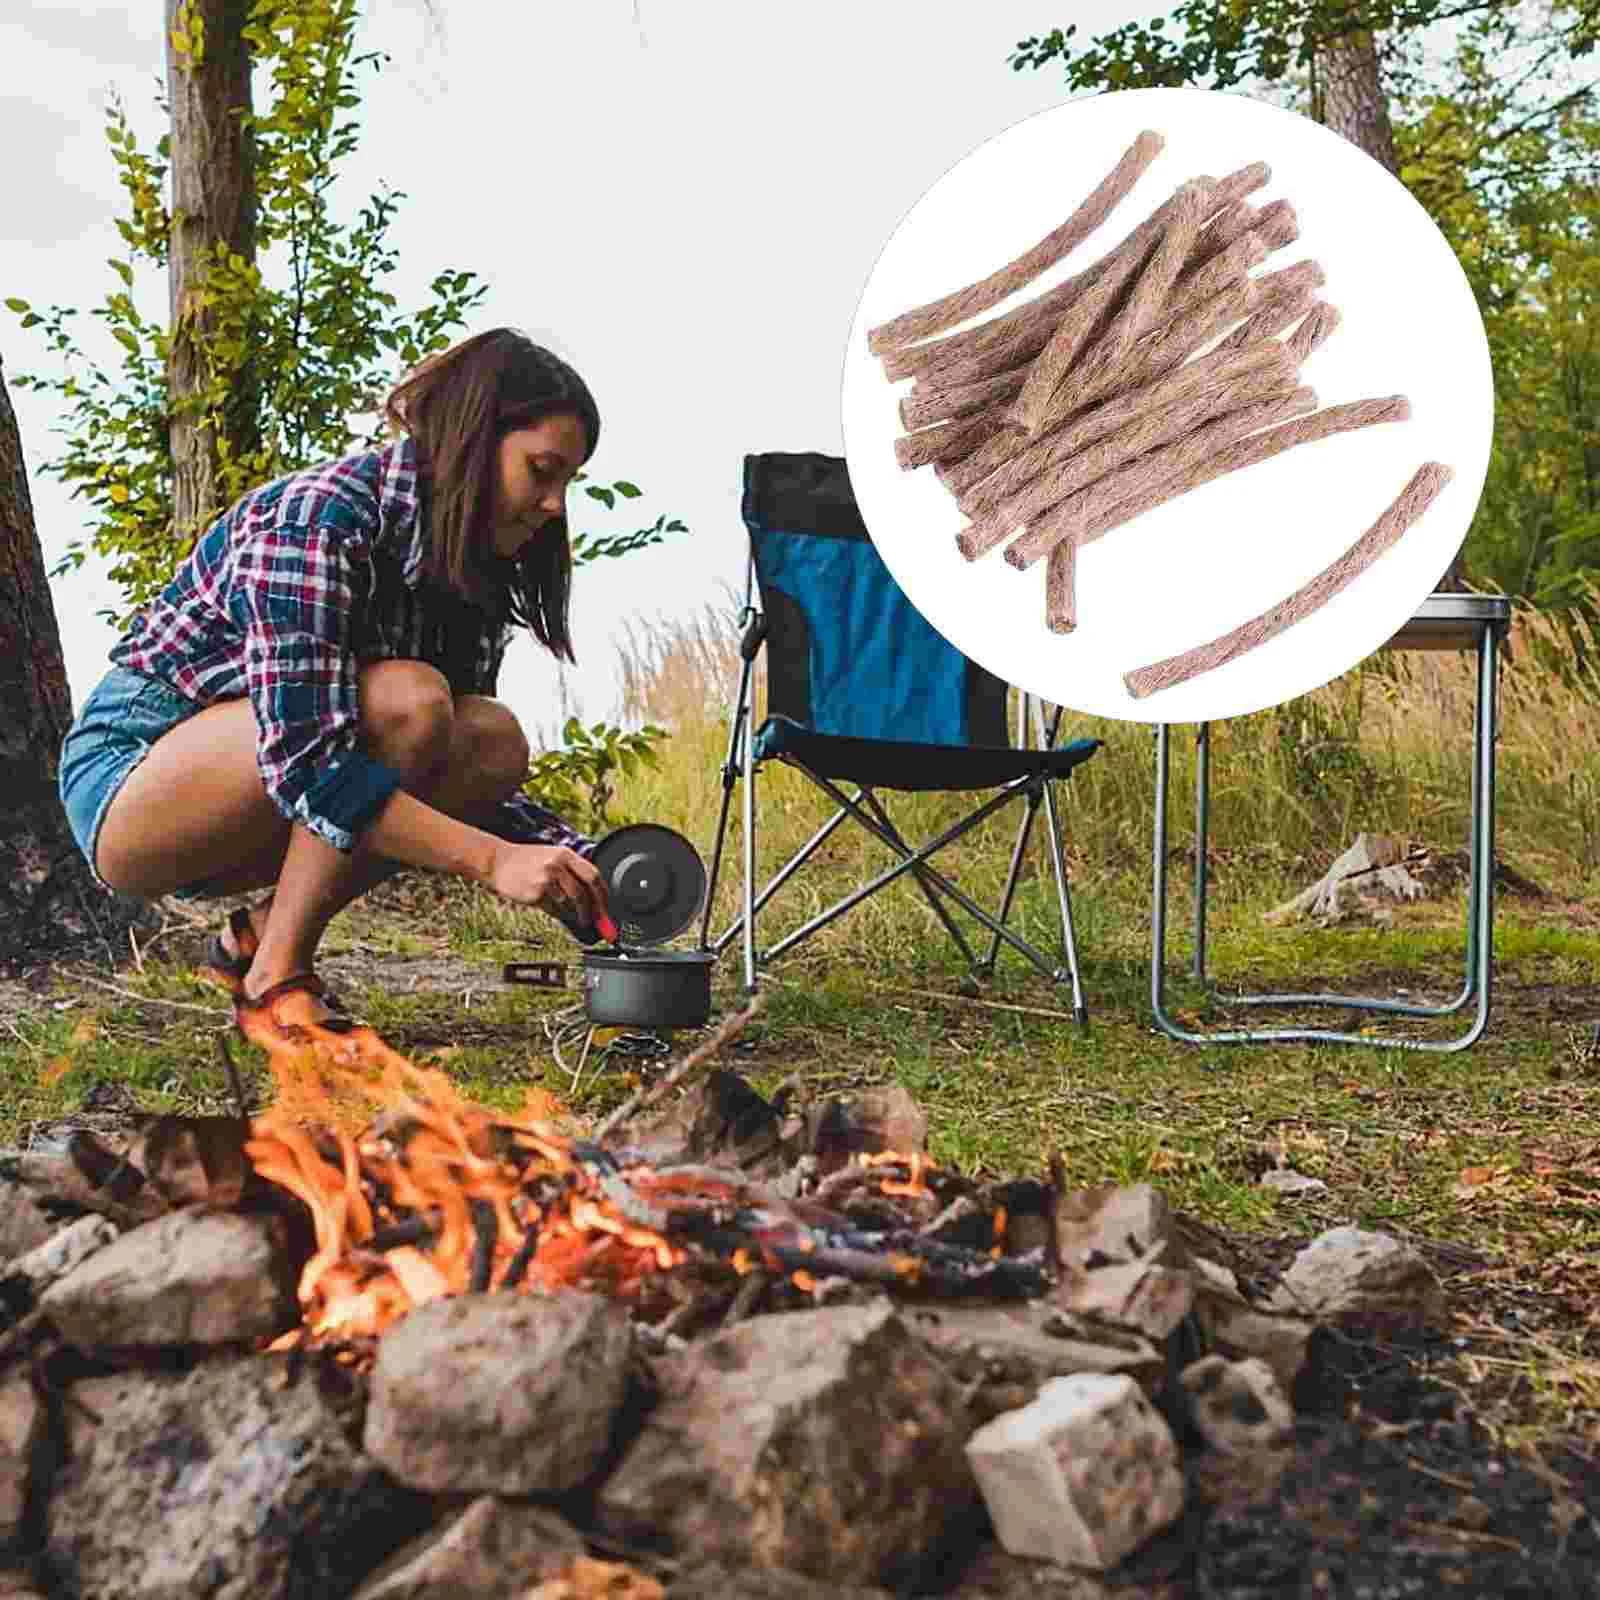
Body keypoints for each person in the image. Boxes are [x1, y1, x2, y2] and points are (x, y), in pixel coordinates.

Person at [58, 328, 614, 1038]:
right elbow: (311, 766)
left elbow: (436, 772)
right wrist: (494, 861)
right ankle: (276, 984)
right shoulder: (318, 520)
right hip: (134, 788)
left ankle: (257, 943)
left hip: (265, 795)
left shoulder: (457, 566)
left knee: (490, 741)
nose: (555, 505)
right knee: (409, 700)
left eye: (568, 480)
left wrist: (585, 862)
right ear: (473, 440)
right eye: (542, 471)